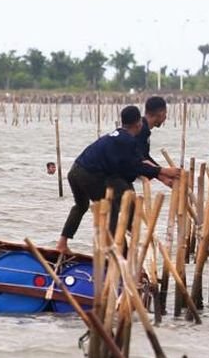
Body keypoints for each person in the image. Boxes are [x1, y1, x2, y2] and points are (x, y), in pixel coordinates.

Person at [56, 105, 180, 254]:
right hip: (88, 175)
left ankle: (62, 243)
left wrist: (161, 175)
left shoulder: (117, 135)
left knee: (81, 206)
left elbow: (135, 165)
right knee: (111, 207)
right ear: (138, 124)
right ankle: (114, 252)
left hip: (75, 172)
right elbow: (136, 167)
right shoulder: (127, 141)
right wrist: (164, 171)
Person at [139, 96, 168, 168]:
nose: (165, 117)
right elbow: (140, 160)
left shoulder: (142, 126)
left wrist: (162, 171)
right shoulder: (141, 129)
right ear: (161, 113)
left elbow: (145, 157)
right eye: (165, 113)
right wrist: (162, 172)